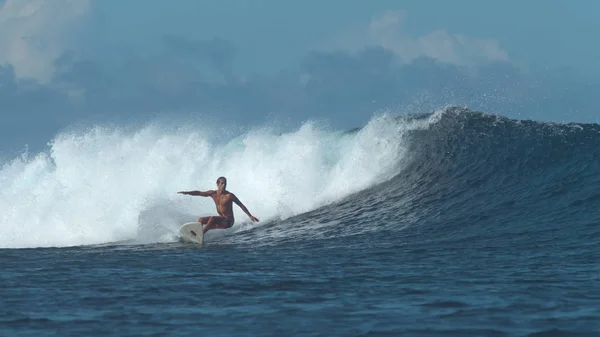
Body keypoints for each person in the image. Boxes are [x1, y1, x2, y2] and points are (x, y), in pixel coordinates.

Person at [178, 177, 259, 234]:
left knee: (213, 218)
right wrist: (187, 193)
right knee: (201, 220)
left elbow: (240, 204)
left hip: (229, 222)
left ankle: (201, 234)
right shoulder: (213, 193)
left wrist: (250, 215)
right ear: (217, 184)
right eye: (222, 183)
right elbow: (199, 193)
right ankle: (195, 233)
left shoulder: (229, 195)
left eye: (225, 184)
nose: (224, 185)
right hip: (221, 220)